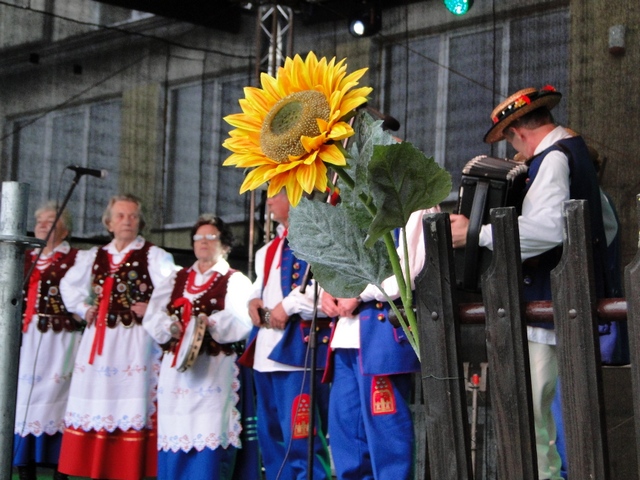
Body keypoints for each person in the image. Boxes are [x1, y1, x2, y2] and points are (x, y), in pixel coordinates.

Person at [450, 86, 610, 480]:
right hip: (565, 300)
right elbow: (607, 225)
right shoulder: (574, 153)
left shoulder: (553, 159)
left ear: (517, 131)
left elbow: (548, 227)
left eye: (509, 139)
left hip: (549, 302)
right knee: (560, 410)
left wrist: (478, 233)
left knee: (533, 411)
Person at [58, 194, 175, 480]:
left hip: (135, 341)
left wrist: (153, 309)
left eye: (133, 216)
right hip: (99, 339)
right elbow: (68, 285)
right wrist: (83, 308)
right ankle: (96, 466)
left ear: (140, 222)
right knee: (97, 396)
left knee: (130, 398)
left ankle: (128, 467)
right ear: (109, 223)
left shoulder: (154, 255)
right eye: (121, 216)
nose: (127, 221)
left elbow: (173, 288)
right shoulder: (94, 256)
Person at [321, 207, 438, 480]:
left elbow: (405, 273)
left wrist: (355, 291)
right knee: (345, 434)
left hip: (381, 332)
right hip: (346, 336)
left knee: (387, 436)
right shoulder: (354, 203)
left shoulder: (414, 202)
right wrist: (328, 290)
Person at [143, 215, 253, 479]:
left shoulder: (234, 280)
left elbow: (242, 320)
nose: (203, 242)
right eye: (198, 237)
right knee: (175, 429)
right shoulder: (176, 278)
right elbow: (152, 316)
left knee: (210, 428)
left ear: (224, 244)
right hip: (176, 372)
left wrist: (208, 323)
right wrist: (170, 327)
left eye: (211, 237)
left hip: (214, 369)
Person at [238, 190, 332, 480]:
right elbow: (260, 287)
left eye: (275, 193)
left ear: (295, 195)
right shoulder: (269, 248)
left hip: (297, 354)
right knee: (271, 438)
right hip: (265, 355)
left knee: (302, 439)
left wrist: (288, 306)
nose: (268, 201)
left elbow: (329, 292)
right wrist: (253, 301)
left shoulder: (319, 238)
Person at [13, 202, 85, 480]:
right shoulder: (24, 259)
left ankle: (59, 470)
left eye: (51, 220)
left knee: (59, 398)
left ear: (65, 230)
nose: (43, 225)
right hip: (28, 339)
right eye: (39, 221)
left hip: (61, 340)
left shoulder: (77, 259)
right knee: (25, 399)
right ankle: (24, 468)